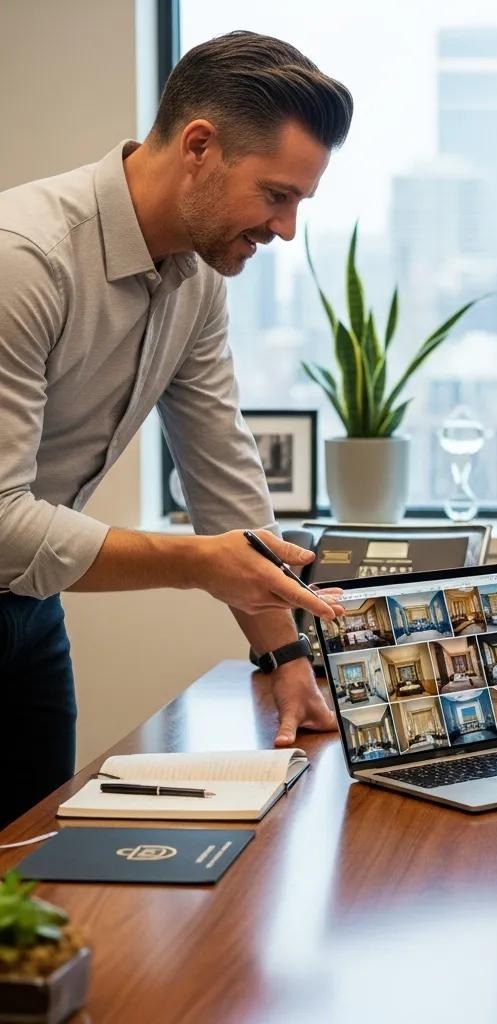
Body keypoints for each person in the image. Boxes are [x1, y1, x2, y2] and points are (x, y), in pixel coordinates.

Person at [0, 31, 355, 829]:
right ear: (200, 146)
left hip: (30, 607)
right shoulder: (23, 260)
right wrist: (198, 564)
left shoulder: (197, 277)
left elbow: (223, 473)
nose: (287, 229)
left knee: (32, 870)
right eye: (276, 195)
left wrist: (287, 656)